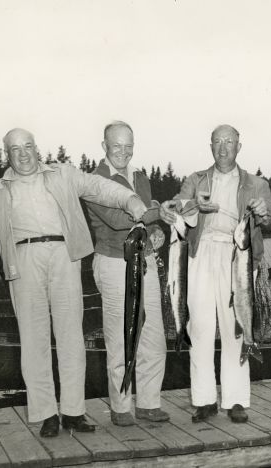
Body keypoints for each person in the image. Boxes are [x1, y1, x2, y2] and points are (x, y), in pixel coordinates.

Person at [0, 128, 147, 437]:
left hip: (65, 255)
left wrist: (129, 199)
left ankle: (74, 412)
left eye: (28, 146)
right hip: (22, 260)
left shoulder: (62, 174)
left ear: (37, 148)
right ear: (7, 155)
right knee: (33, 340)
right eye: (15, 149)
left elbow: (98, 187)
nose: (23, 153)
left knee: (71, 336)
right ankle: (46, 414)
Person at [159, 124, 271, 424]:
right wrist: (191, 205)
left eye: (229, 142)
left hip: (237, 256)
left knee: (235, 326)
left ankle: (236, 400)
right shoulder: (195, 179)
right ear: (210, 146)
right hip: (200, 255)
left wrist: (265, 211)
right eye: (217, 142)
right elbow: (175, 207)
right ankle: (203, 400)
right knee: (199, 327)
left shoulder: (256, 183)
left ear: (239, 146)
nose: (223, 147)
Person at [85, 121, 169, 426]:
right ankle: (121, 407)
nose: (123, 152)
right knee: (120, 337)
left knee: (153, 336)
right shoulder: (94, 180)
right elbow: (120, 220)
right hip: (113, 264)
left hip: (144, 262)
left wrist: (157, 230)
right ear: (104, 145)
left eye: (129, 146)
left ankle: (148, 403)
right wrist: (164, 209)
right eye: (117, 145)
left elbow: (145, 221)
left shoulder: (140, 178)